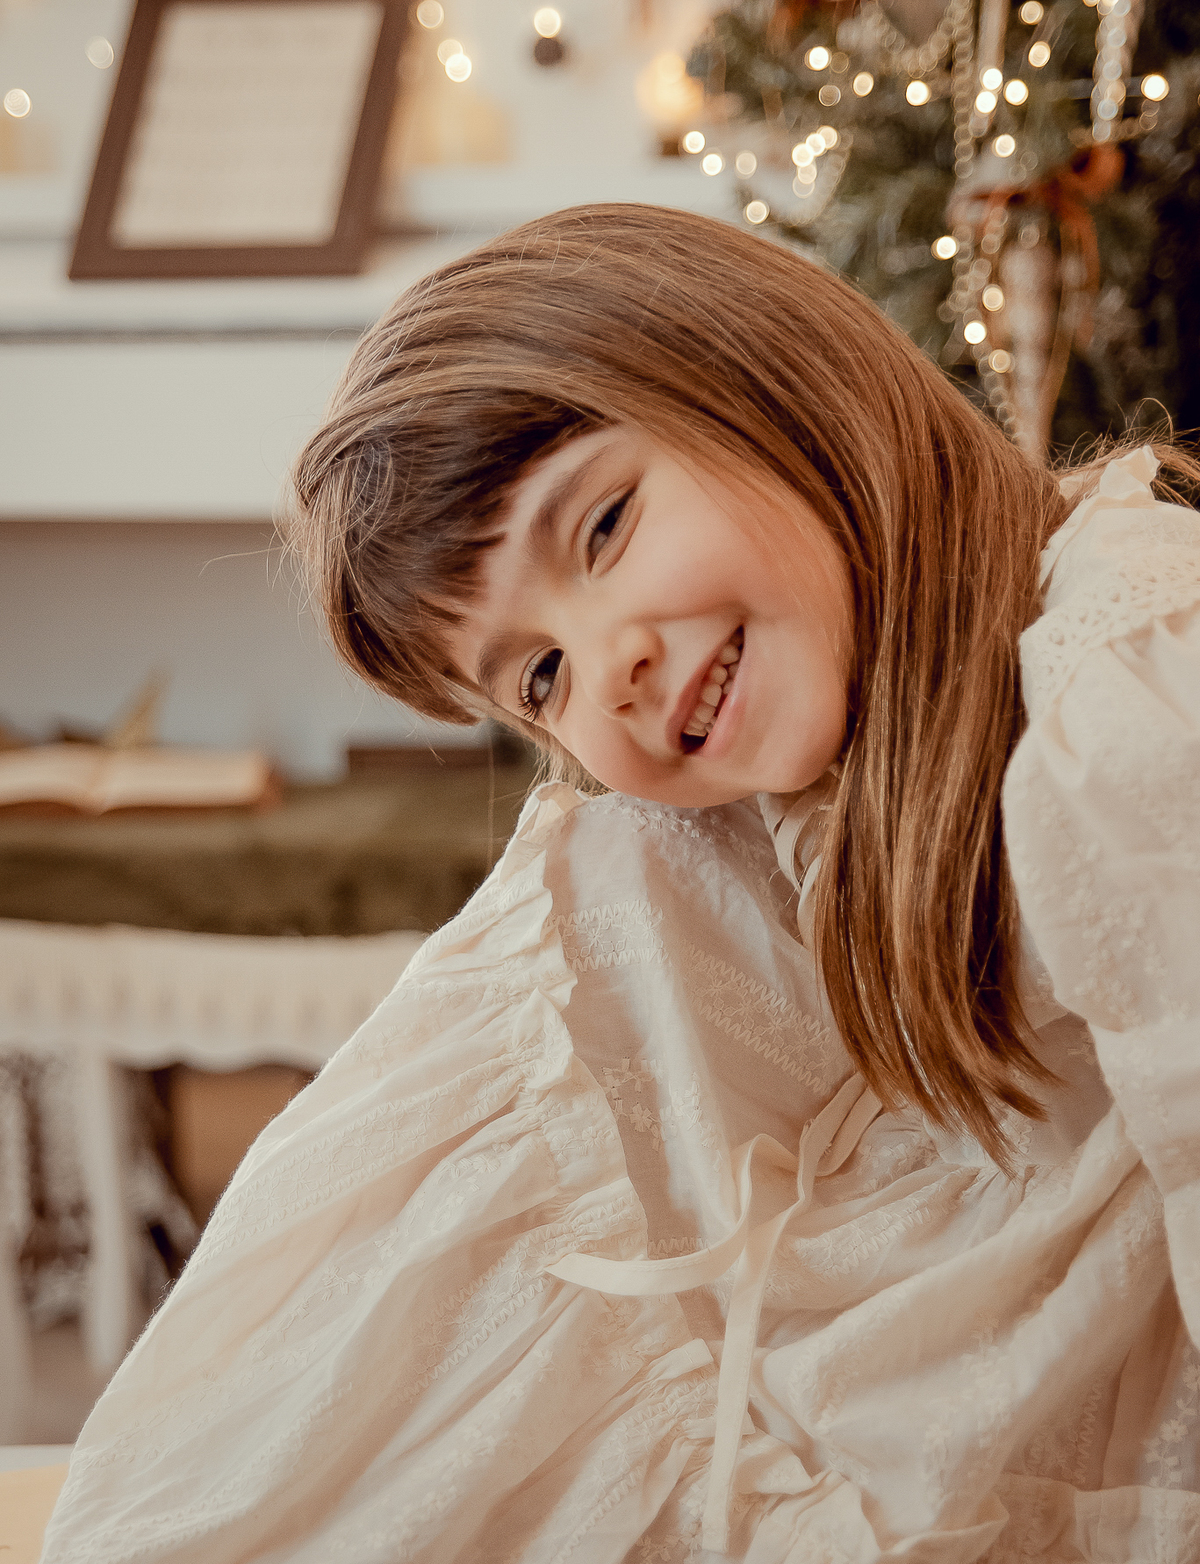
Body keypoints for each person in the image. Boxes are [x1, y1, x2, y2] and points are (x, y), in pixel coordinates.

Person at [42, 205, 1200, 1562]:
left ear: (766, 382)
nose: (612, 669)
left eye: (601, 526)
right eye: (539, 677)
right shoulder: (802, 789)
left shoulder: (1123, 691)